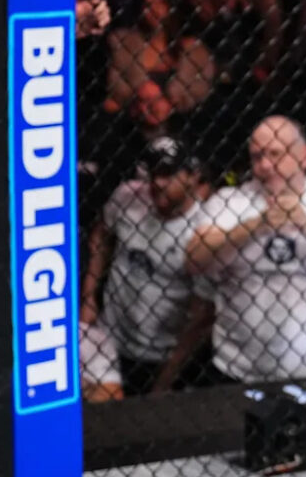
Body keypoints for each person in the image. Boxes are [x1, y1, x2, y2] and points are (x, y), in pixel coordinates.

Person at [180, 116, 306, 383]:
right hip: (235, 369)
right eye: (257, 156)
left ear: (304, 156)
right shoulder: (230, 201)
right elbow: (193, 261)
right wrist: (255, 226)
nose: (265, 165)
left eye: (275, 154)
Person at [80, 136, 213, 396]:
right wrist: (89, 296)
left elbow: (201, 314)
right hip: (107, 337)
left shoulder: (205, 231)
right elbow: (101, 235)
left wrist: (165, 381)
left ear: (193, 176)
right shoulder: (127, 195)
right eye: (153, 172)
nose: (157, 182)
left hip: (160, 352)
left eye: (167, 174)